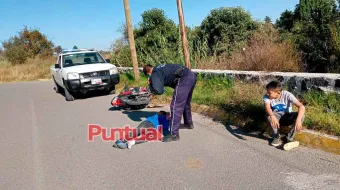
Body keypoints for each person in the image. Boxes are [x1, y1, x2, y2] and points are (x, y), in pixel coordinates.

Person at [143, 63, 197, 142]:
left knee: (175, 105)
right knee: (185, 103)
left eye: (148, 76)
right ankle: (188, 124)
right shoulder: (160, 67)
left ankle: (174, 134)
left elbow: (159, 90)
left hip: (183, 78)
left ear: (148, 73)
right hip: (191, 75)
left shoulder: (155, 73)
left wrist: (151, 86)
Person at [263, 80, 305, 151]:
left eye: (269, 93)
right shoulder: (266, 96)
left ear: (278, 92)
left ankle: (289, 138)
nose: (267, 94)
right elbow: (267, 107)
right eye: (267, 92)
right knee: (269, 116)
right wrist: (272, 116)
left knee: (301, 116)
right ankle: (276, 137)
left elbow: (301, 106)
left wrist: (298, 120)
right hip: (276, 117)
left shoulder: (287, 94)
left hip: (287, 116)